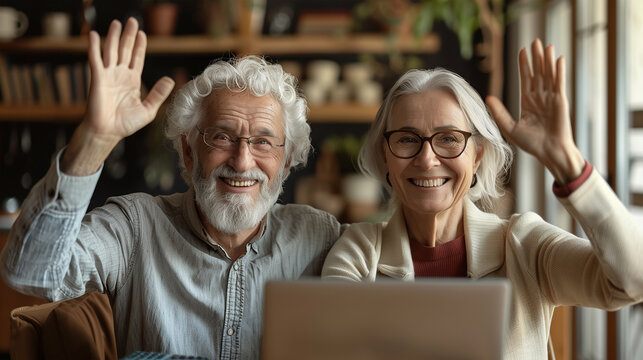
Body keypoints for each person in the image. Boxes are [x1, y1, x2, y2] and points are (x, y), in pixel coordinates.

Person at [0, 18, 342, 358]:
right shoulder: (135, 227)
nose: (242, 161)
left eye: (263, 142)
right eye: (222, 137)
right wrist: (93, 140)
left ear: (286, 162)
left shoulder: (319, 237)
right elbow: (29, 272)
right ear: (190, 152)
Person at [321, 39, 643, 359]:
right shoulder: (359, 251)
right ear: (385, 155)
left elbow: (633, 281)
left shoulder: (524, 245)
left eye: (448, 138)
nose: (427, 159)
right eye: (407, 139)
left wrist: (568, 163)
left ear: (477, 155)